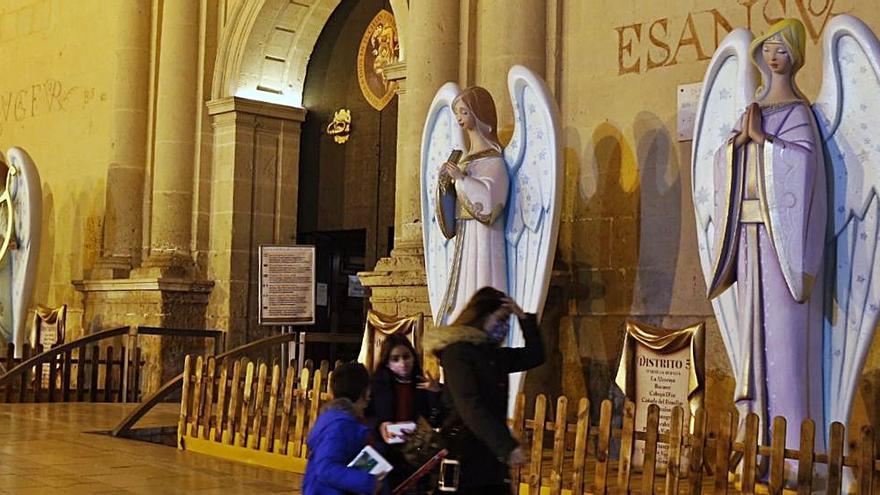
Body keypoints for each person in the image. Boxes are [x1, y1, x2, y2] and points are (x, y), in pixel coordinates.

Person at [709, 18, 826, 456]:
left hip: (782, 245)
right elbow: (723, 164)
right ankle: (756, 443)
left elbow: (805, 168)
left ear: (795, 56)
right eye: (768, 49)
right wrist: (737, 144)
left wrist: (764, 142)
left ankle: (793, 452)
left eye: (782, 49)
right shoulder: (754, 109)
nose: (774, 56)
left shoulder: (798, 111)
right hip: (750, 240)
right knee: (751, 343)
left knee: (783, 344)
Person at [424, 287, 545, 494]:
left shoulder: (493, 355)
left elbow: (535, 356)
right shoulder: (457, 353)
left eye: (507, 321)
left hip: (490, 455)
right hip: (465, 452)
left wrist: (523, 318)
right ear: (482, 315)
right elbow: (470, 404)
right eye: (500, 319)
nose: (504, 327)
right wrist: (507, 446)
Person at [434, 86, 510, 324]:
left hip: (485, 236)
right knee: (465, 281)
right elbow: (455, 198)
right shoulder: (465, 158)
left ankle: (483, 323)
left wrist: (462, 179)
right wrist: (445, 184)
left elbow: (491, 201)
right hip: (466, 234)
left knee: (481, 278)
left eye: (464, 112)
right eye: (457, 113)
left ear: (479, 114)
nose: (459, 118)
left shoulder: (493, 158)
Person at [366, 334, 443, 491]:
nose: (403, 363)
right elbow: (364, 415)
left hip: (416, 454)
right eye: (395, 359)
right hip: (384, 453)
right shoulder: (377, 385)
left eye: (406, 356)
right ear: (387, 362)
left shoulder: (424, 383)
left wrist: (435, 394)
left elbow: (436, 419)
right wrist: (380, 426)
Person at [302, 362, 386, 495]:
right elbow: (326, 468)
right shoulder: (339, 425)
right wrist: (368, 482)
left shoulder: (340, 419)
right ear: (365, 393)